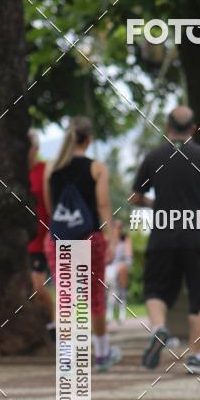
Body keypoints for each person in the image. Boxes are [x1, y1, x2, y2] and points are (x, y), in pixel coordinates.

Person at [131, 107, 200, 372]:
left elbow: (136, 196)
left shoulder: (155, 156)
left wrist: (156, 204)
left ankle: (158, 328)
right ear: (193, 128)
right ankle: (196, 357)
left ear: (167, 127)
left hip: (163, 236)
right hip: (199, 237)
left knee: (155, 289)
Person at [43, 116, 121, 371]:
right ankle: (101, 353)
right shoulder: (97, 167)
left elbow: (50, 207)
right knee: (95, 296)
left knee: (64, 296)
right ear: (88, 139)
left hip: (58, 239)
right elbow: (102, 204)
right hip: (90, 238)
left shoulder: (51, 168)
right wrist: (110, 238)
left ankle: (66, 357)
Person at [27, 130, 55, 339]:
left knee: (38, 287)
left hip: (41, 239)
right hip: (19, 241)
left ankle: (56, 324)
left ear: (35, 149)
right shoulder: (12, 174)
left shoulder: (45, 171)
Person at [105, 219, 133, 324]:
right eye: (115, 227)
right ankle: (109, 312)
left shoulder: (125, 240)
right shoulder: (107, 241)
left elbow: (128, 257)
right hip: (109, 268)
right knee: (109, 283)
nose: (117, 229)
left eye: (119, 227)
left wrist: (123, 264)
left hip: (121, 266)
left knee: (121, 272)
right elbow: (105, 258)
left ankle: (121, 311)